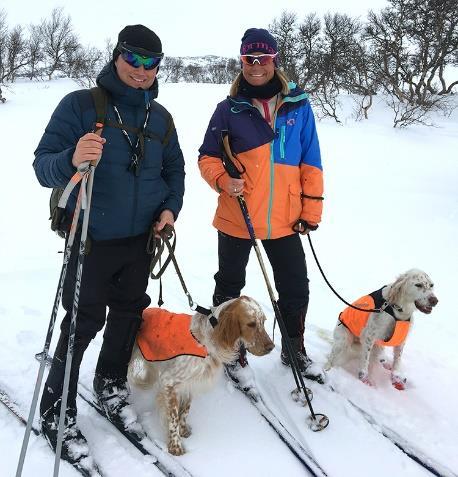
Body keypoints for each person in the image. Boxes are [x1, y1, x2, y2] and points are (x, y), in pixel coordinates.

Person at [33, 24, 185, 464]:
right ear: (117, 56)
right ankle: (56, 409)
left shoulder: (161, 118)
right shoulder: (81, 106)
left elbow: (174, 172)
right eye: (132, 59)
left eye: (150, 63)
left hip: (141, 241)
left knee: (127, 315)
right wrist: (72, 158)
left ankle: (111, 384)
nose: (140, 70)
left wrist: (170, 209)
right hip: (90, 240)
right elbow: (44, 167)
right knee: (81, 323)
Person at [198, 28, 325, 387]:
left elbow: (311, 161)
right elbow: (207, 157)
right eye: (249, 60)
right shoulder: (228, 109)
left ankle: (294, 348)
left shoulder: (298, 106)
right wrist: (223, 180)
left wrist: (311, 210)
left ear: (274, 60)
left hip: (285, 218)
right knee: (229, 286)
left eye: (263, 59)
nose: (256, 66)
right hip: (238, 215)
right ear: (241, 62)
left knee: (296, 287)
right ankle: (231, 350)